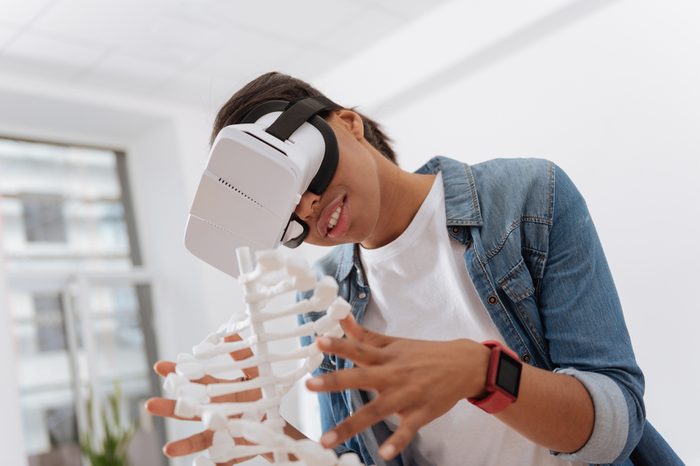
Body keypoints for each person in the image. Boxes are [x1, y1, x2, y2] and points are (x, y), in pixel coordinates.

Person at [146, 72, 683, 466]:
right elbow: (358, 456)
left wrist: (483, 373)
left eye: (302, 179)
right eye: (284, 211)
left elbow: (615, 425)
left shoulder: (527, 199)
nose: (306, 209)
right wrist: (274, 439)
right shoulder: (322, 298)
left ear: (348, 124)